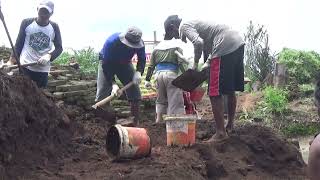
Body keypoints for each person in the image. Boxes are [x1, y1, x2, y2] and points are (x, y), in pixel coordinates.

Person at [179, 19, 245, 142]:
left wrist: (195, 64)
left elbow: (198, 43)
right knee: (230, 90)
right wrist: (208, 63)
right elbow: (210, 49)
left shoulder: (184, 26)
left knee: (214, 92)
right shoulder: (206, 27)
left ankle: (220, 132)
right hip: (238, 42)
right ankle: (230, 125)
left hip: (224, 44)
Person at [5, 0, 62, 88]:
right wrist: (11, 61)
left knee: (39, 97)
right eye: (41, 11)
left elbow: (59, 48)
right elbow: (18, 45)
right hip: (25, 68)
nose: (43, 15)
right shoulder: (27, 23)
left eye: (46, 12)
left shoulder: (54, 27)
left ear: (51, 13)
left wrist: (49, 56)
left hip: (42, 71)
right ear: (37, 10)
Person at [144, 15, 187, 123]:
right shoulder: (176, 45)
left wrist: (147, 80)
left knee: (161, 100)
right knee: (174, 101)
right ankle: (175, 125)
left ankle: (159, 122)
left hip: (158, 76)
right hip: (171, 75)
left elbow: (151, 66)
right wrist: (187, 77)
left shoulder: (157, 47)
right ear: (173, 28)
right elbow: (181, 64)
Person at [100, 26, 146, 126]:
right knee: (102, 92)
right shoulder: (112, 42)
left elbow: (142, 59)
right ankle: (104, 124)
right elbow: (106, 65)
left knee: (135, 90)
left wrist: (138, 72)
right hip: (108, 62)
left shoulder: (140, 43)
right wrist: (113, 84)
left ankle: (134, 122)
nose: (132, 47)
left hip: (125, 63)